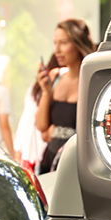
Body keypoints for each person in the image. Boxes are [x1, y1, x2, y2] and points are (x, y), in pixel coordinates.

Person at [33, 18, 95, 174]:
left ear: (78, 43)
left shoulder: (91, 80)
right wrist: (46, 92)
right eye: (55, 43)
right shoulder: (55, 77)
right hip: (51, 160)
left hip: (78, 165)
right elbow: (41, 127)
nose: (57, 50)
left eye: (64, 43)